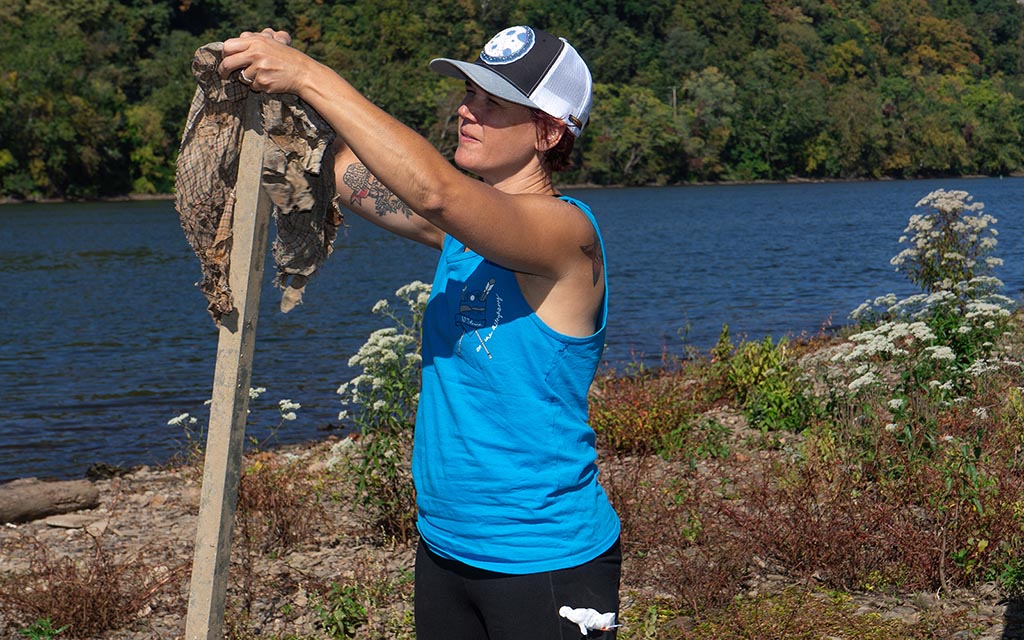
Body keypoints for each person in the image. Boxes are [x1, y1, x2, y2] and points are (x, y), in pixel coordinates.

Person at [220, 24, 621, 640]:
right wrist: (288, 97)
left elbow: (435, 192)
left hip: (543, 556)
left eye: (493, 103)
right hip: (444, 545)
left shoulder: (568, 238)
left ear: (548, 130)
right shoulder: (468, 234)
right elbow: (359, 177)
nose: (468, 110)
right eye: (469, 94)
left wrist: (307, 73)